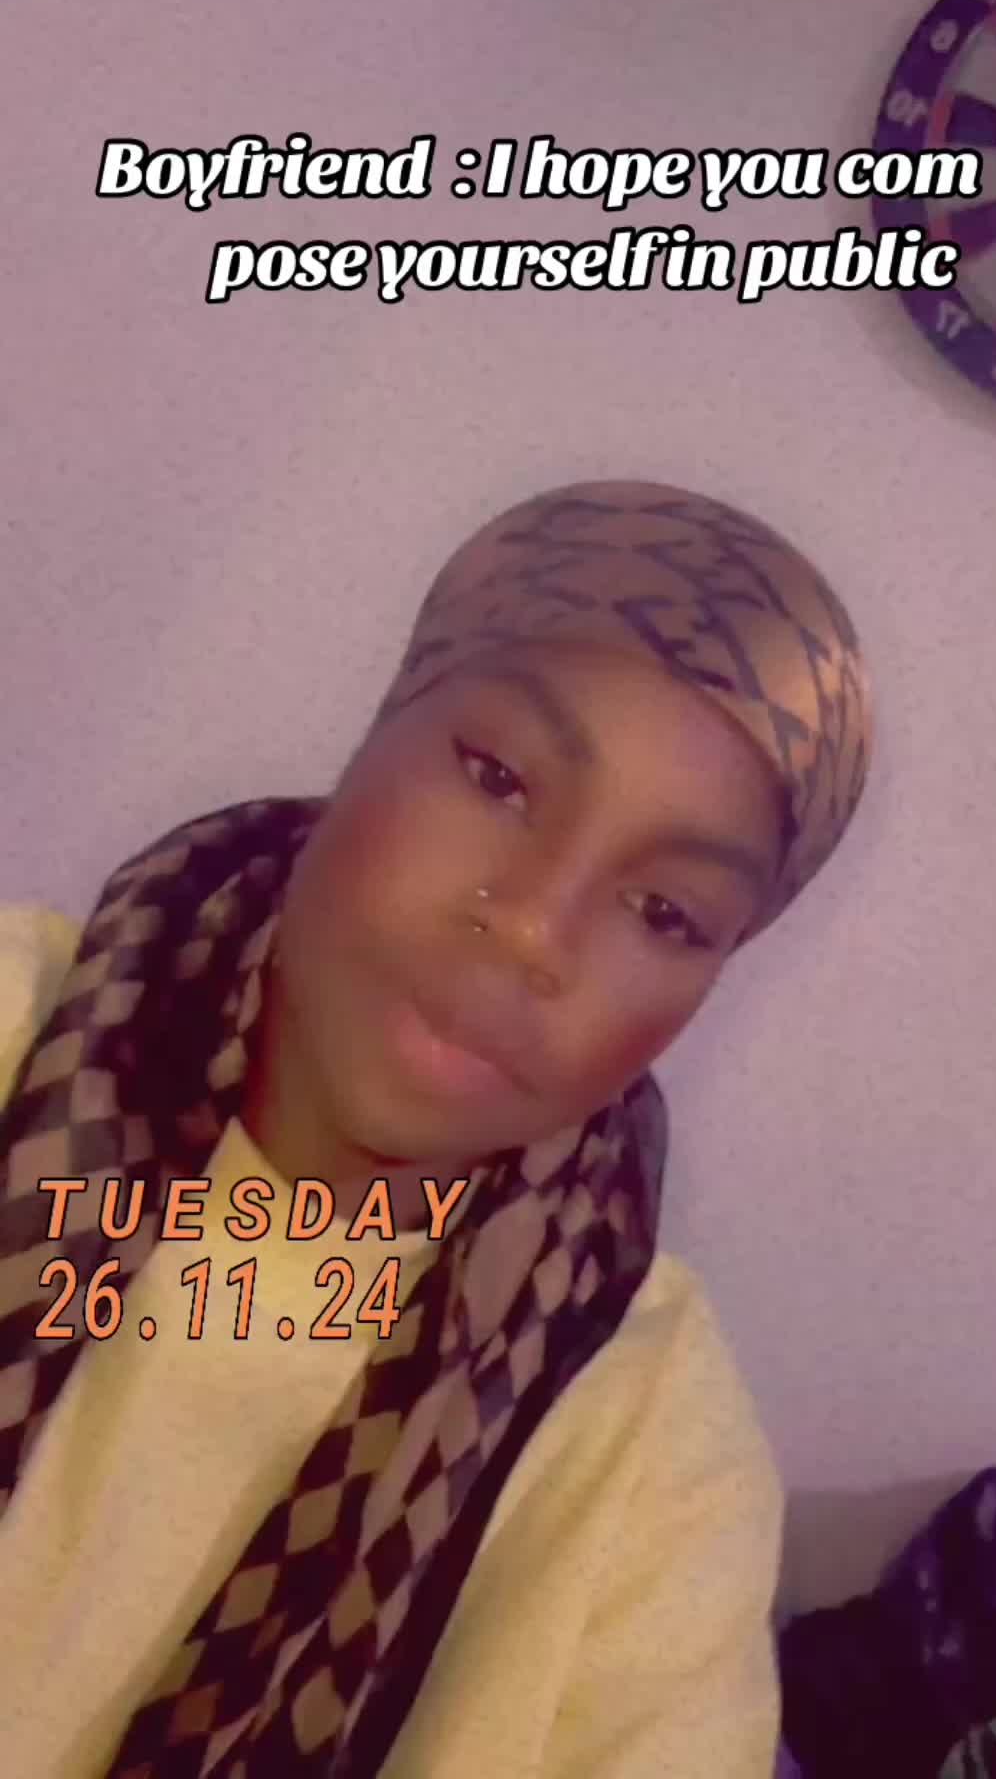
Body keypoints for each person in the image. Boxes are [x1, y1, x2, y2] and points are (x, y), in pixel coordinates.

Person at [0, 477, 873, 1778]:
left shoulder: (646, 1453)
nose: (531, 929)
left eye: (665, 913)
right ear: (378, 729)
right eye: (499, 779)